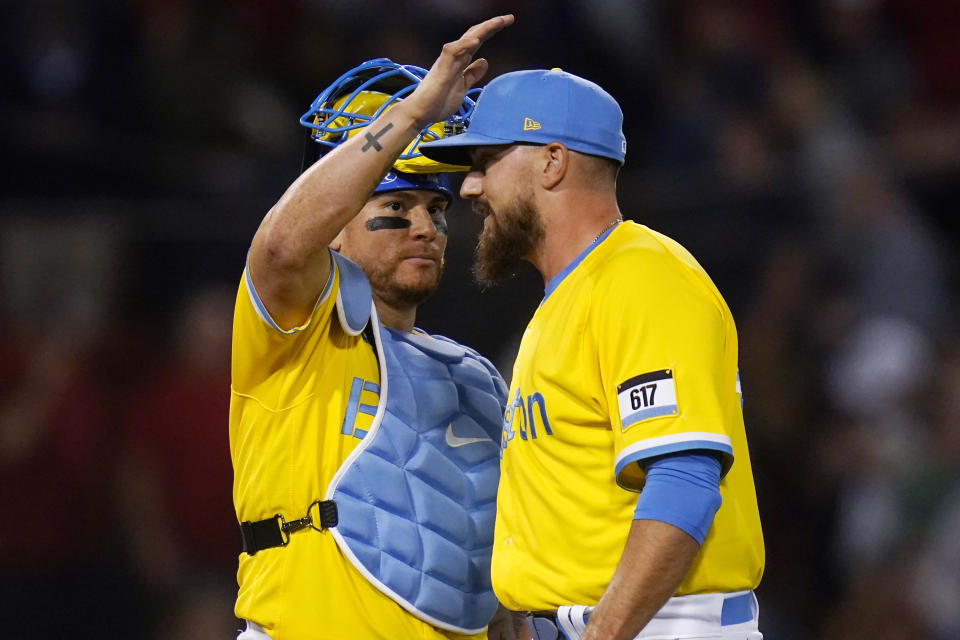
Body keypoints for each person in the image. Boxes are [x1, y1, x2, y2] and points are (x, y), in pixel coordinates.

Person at [420, 68, 765, 639]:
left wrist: (602, 634)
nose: (470, 188)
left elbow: (683, 478)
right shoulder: (572, 298)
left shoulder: (641, 277)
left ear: (553, 162)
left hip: (658, 626)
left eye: (485, 162)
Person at [230, 15, 516, 640]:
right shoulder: (294, 328)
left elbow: (490, 558)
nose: (424, 227)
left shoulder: (475, 378)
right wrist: (413, 114)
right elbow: (281, 248)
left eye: (435, 209)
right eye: (395, 206)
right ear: (334, 223)